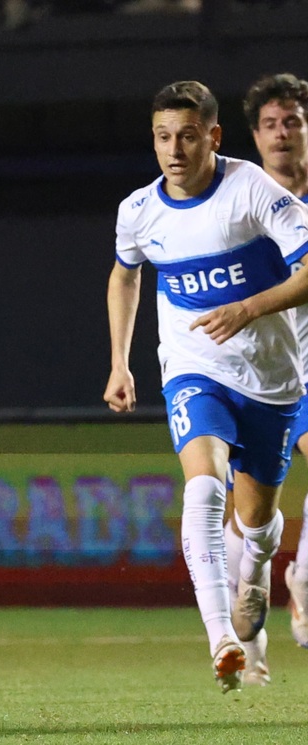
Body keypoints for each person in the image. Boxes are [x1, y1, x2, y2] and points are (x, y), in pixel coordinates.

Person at [105, 81, 308, 693]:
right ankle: (221, 635)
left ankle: (256, 572)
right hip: (194, 370)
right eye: (164, 137)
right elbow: (125, 277)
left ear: (213, 137)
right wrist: (119, 360)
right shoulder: (139, 210)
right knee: (202, 485)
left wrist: (249, 309)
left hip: (272, 380)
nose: (174, 149)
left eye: (188, 136)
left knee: (257, 520)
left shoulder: (251, 190)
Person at [217, 72, 308, 687]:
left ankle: (301, 575)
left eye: (293, 121)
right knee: (245, 515)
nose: (283, 133)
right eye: (271, 124)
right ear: (254, 135)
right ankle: (246, 638)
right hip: (258, 368)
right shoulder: (241, 203)